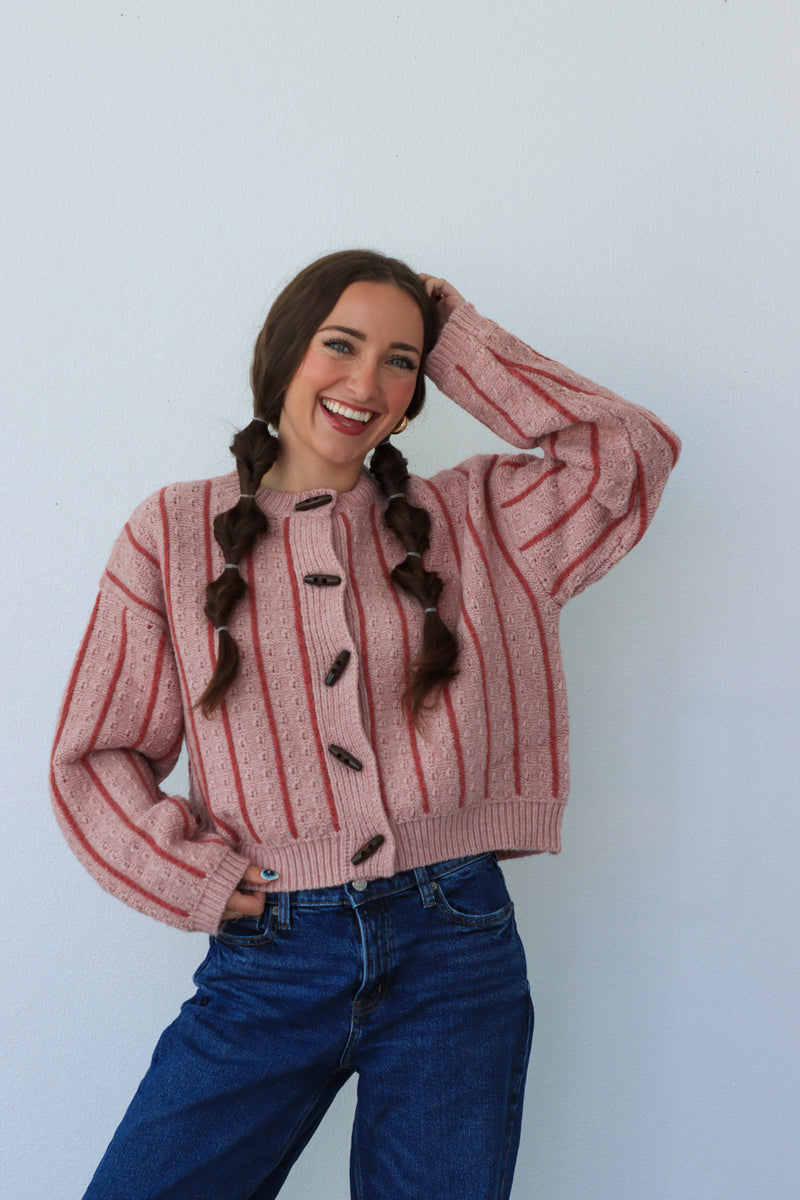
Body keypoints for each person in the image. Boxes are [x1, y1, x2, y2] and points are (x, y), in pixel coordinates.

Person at [50, 250, 680, 1199]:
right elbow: (96, 753)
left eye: (401, 360)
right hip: (273, 956)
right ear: (283, 351)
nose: (366, 382)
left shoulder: (481, 519)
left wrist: (458, 335)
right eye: (340, 345)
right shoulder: (172, 534)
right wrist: (203, 880)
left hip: (455, 948)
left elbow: (627, 450)